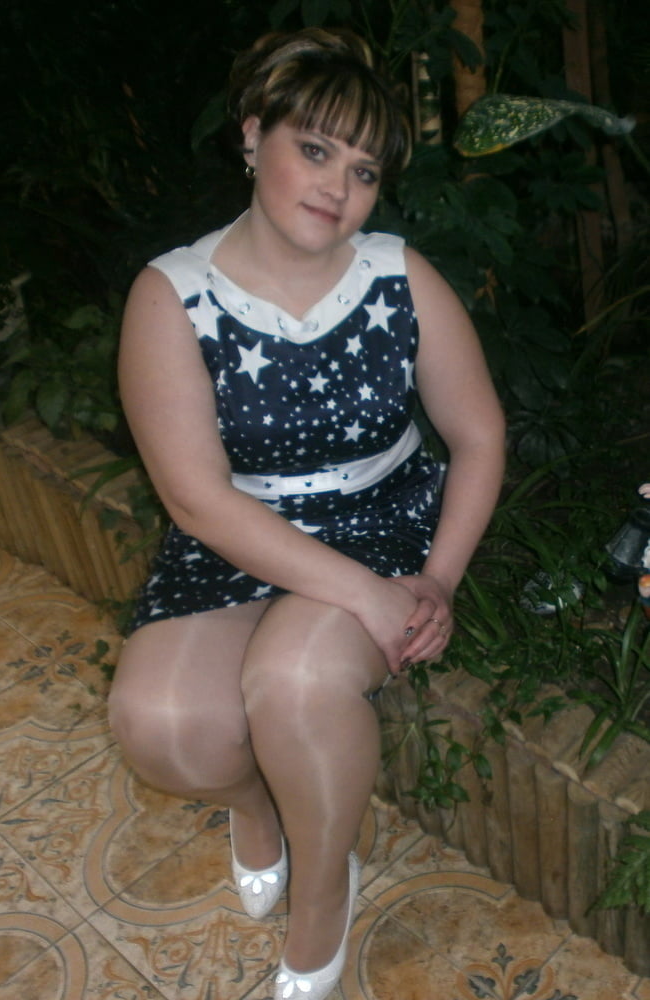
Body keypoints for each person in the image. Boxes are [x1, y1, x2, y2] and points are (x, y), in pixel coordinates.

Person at [108, 26, 506, 1000]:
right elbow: (196, 499)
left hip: (381, 517)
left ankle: (322, 890)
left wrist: (436, 579)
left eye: (363, 170)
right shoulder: (172, 295)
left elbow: (479, 434)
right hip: (236, 531)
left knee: (291, 679)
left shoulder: (398, 277)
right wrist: (364, 597)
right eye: (315, 149)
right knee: (162, 726)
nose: (337, 187)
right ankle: (258, 804)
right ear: (253, 135)